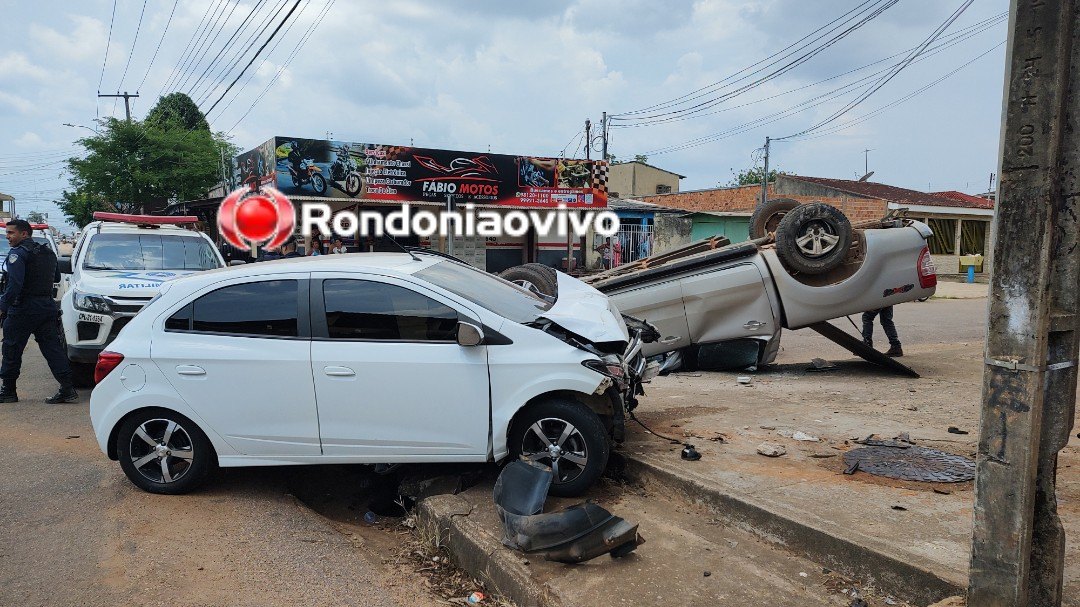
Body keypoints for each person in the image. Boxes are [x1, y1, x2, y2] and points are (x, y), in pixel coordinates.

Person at [0, 219, 77, 403]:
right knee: (53, 349)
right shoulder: (48, 252)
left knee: (11, 349)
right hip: (46, 307)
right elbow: (56, 277)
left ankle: (8, 391)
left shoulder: (17, 254)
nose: (8, 236)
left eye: (11, 233)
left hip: (23, 309)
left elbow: (15, 285)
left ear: (24, 234)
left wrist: (2, 307)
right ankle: (67, 388)